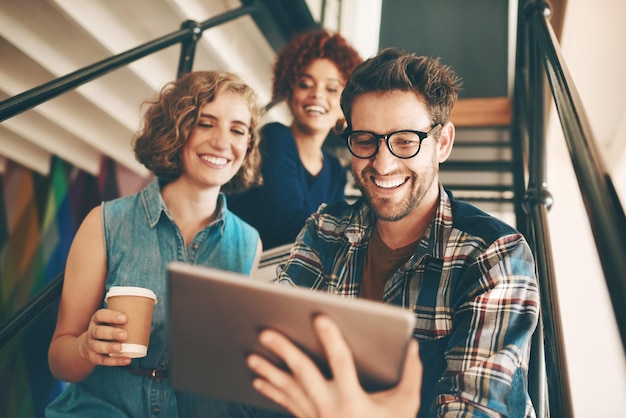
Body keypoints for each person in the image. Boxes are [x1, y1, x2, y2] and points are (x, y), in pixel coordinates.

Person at [246, 48, 540, 417]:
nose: (382, 164)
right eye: (365, 140)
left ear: (442, 143)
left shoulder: (494, 255)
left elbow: (474, 410)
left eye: (404, 140)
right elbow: (271, 356)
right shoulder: (326, 229)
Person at [46, 71, 265, 417]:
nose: (224, 143)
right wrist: (87, 348)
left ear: (248, 144)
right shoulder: (106, 222)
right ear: (177, 130)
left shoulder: (249, 244)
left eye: (238, 129)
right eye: (206, 124)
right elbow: (60, 359)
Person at [228, 29, 363, 250]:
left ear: (345, 108)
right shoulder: (275, 138)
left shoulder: (335, 170)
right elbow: (292, 228)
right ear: (289, 94)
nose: (317, 94)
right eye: (305, 84)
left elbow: (335, 230)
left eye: (331, 88)